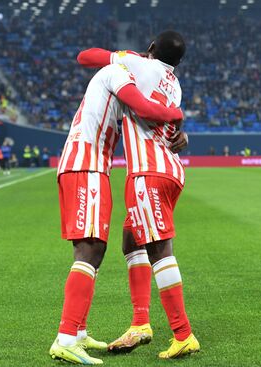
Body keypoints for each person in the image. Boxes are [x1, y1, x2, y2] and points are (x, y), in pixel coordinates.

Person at [50, 62, 184, 365]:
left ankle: (79, 332)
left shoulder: (123, 72)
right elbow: (145, 108)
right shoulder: (119, 72)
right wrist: (178, 116)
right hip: (87, 163)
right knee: (90, 248)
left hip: (89, 163)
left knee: (101, 245)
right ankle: (67, 337)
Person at [77, 30, 199, 359]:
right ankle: (140, 323)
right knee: (132, 238)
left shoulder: (138, 65)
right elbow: (173, 127)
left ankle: (183, 333)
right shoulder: (175, 85)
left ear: (150, 49)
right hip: (170, 169)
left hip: (148, 171)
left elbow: (86, 56)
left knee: (160, 248)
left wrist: (124, 56)